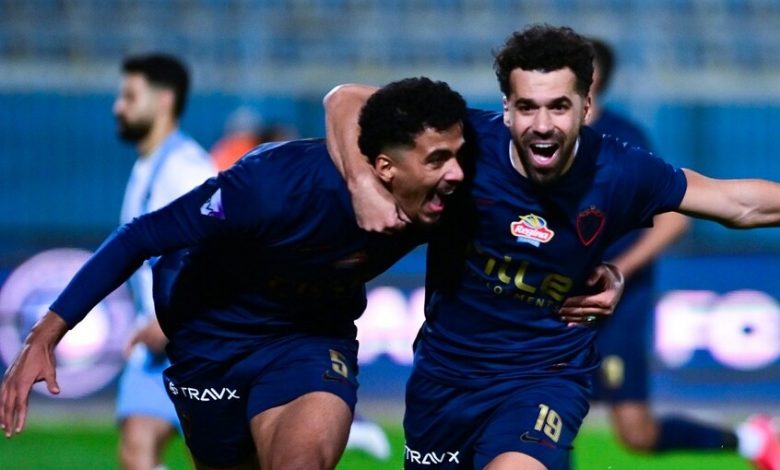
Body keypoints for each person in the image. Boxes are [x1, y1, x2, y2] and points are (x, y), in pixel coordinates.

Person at [323, 24, 780, 470]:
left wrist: (620, 267)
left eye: (559, 107)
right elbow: (345, 99)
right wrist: (363, 186)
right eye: (527, 107)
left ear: (586, 107)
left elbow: (738, 204)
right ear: (507, 108)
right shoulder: (465, 144)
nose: (542, 126)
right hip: (445, 378)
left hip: (548, 375)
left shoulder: (620, 168)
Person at [0, 77, 466, 469]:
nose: (457, 174)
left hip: (309, 339)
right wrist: (45, 334)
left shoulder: (446, 193)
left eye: (456, 158)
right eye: (436, 161)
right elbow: (139, 237)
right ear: (384, 168)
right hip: (211, 341)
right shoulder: (271, 186)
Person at [585, 37, 770, 466]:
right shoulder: (539, 140)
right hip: (554, 298)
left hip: (616, 307)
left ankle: (750, 440)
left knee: (637, 432)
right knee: (545, 411)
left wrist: (618, 268)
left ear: (595, 79)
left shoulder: (624, 140)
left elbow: (675, 219)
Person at [112, 53, 217, 470]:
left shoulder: (186, 169)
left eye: (129, 96)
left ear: (164, 100)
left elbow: (220, 245)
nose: (118, 107)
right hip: (162, 343)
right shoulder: (149, 166)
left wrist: (169, 318)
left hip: (194, 336)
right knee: (136, 448)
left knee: (213, 458)